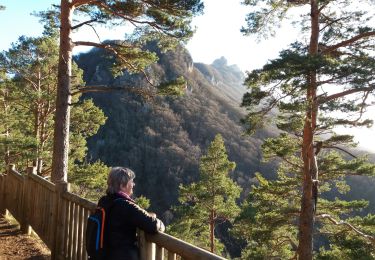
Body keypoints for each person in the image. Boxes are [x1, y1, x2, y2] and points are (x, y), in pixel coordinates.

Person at [98, 167, 165, 260]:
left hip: (105, 255)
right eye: (131, 182)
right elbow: (152, 225)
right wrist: (161, 225)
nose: (133, 184)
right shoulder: (125, 205)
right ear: (122, 185)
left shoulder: (104, 201)